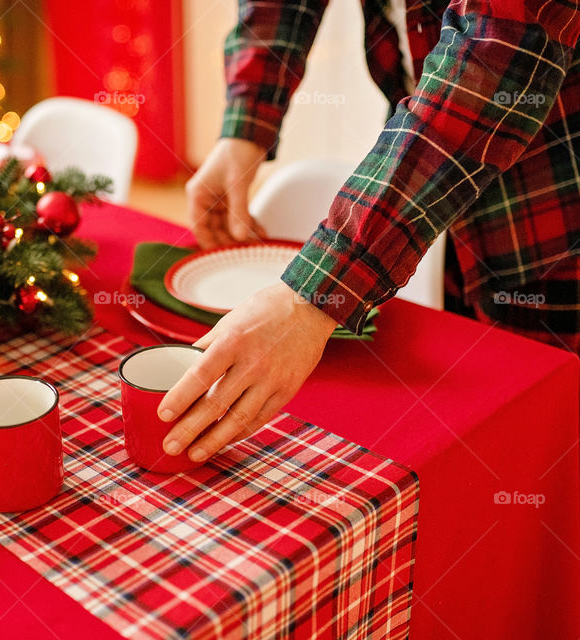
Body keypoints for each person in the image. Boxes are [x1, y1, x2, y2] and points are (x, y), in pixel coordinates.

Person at [159, 0, 580, 463]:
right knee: (467, 432)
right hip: (430, 173)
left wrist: (313, 295)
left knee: (539, 439)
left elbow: (496, 53)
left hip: (552, 201)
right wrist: (245, 125)